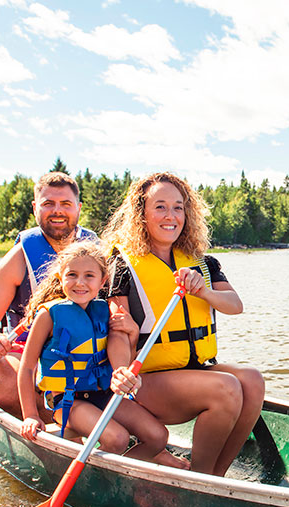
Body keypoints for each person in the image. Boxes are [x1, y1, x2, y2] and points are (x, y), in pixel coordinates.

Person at [102, 172, 264, 476]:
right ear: (142, 213)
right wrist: (122, 370)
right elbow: (119, 329)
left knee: (252, 381)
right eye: (160, 207)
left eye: (178, 207)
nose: (171, 216)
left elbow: (235, 306)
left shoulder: (202, 262)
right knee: (226, 388)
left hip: (195, 369)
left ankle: (216, 476)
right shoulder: (122, 264)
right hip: (146, 381)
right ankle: (200, 478)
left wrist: (202, 289)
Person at [16, 240, 180, 465]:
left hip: (102, 394)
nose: (80, 283)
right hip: (68, 401)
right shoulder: (49, 315)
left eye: (89, 276)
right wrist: (31, 416)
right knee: (118, 438)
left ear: (102, 281)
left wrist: (132, 336)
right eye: (72, 275)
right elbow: (26, 368)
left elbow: (122, 359)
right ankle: (98, 480)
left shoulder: (104, 311)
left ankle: (118, 475)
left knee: (158, 437)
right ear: (60, 278)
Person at [0, 171, 97, 419]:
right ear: (36, 208)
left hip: (85, 348)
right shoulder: (18, 258)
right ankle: (50, 423)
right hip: (26, 351)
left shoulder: (96, 251)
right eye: (48, 204)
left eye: (66, 204)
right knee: (3, 386)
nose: (57, 210)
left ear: (78, 208)